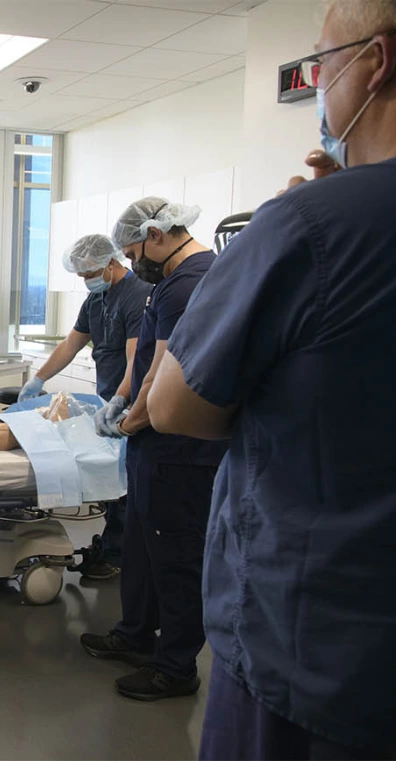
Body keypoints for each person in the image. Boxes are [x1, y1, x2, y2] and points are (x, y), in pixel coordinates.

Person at [149, 1, 396, 755]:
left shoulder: (306, 227)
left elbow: (172, 404)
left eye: (323, 63)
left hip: (313, 650)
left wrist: (304, 212)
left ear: (375, 63)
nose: (319, 86)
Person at [78, 197, 226, 702]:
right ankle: (135, 634)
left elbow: (165, 371)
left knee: (175, 553)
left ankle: (176, 665)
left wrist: (132, 421)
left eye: (131, 249)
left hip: (176, 446)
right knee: (141, 546)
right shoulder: (176, 281)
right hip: (153, 441)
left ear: (157, 235)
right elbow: (144, 364)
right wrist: (121, 400)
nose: (130, 259)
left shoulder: (186, 285)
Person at [17, 234, 152, 580]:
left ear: (111, 262)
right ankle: (112, 547)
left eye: (88, 272)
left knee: (125, 486)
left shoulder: (137, 296)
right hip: (108, 398)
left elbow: (136, 360)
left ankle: (120, 555)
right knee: (112, 480)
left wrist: (123, 401)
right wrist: (38, 379)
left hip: (132, 402)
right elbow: (71, 344)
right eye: (79, 274)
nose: (84, 279)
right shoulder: (97, 300)